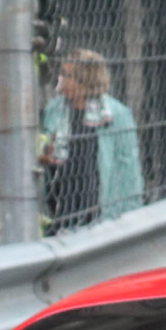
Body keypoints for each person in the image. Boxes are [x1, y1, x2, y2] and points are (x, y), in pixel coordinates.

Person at [40, 51, 144, 229]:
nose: (60, 78)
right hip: (60, 201)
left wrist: (130, 216)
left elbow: (129, 169)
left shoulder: (115, 115)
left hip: (99, 204)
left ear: (83, 80)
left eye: (66, 75)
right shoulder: (54, 110)